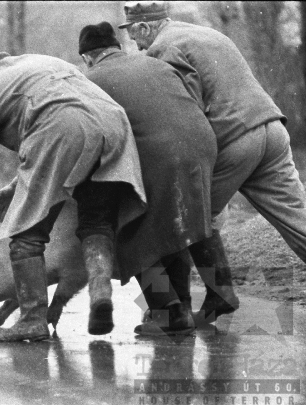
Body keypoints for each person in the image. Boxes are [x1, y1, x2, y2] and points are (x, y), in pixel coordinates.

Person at [118, 0, 305, 324]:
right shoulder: (206, 34)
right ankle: (216, 296)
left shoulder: (162, 50)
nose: (136, 45)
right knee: (297, 220)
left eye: (135, 36)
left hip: (234, 141)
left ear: (145, 27)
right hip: (272, 130)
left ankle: (171, 313)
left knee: (181, 217)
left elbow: (184, 112)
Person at [0, 52, 147, 341]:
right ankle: (100, 293)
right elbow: (67, 114)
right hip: (113, 124)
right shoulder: (43, 63)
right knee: (97, 222)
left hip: (61, 131)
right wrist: (16, 185)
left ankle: (33, 319)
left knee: (25, 233)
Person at [78, 22, 217, 335]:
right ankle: (179, 304)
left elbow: (91, 135)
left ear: (88, 57)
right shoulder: (153, 62)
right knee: (176, 227)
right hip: (202, 144)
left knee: (131, 230)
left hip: (160, 155)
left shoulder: (89, 80)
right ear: (117, 46)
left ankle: (167, 312)